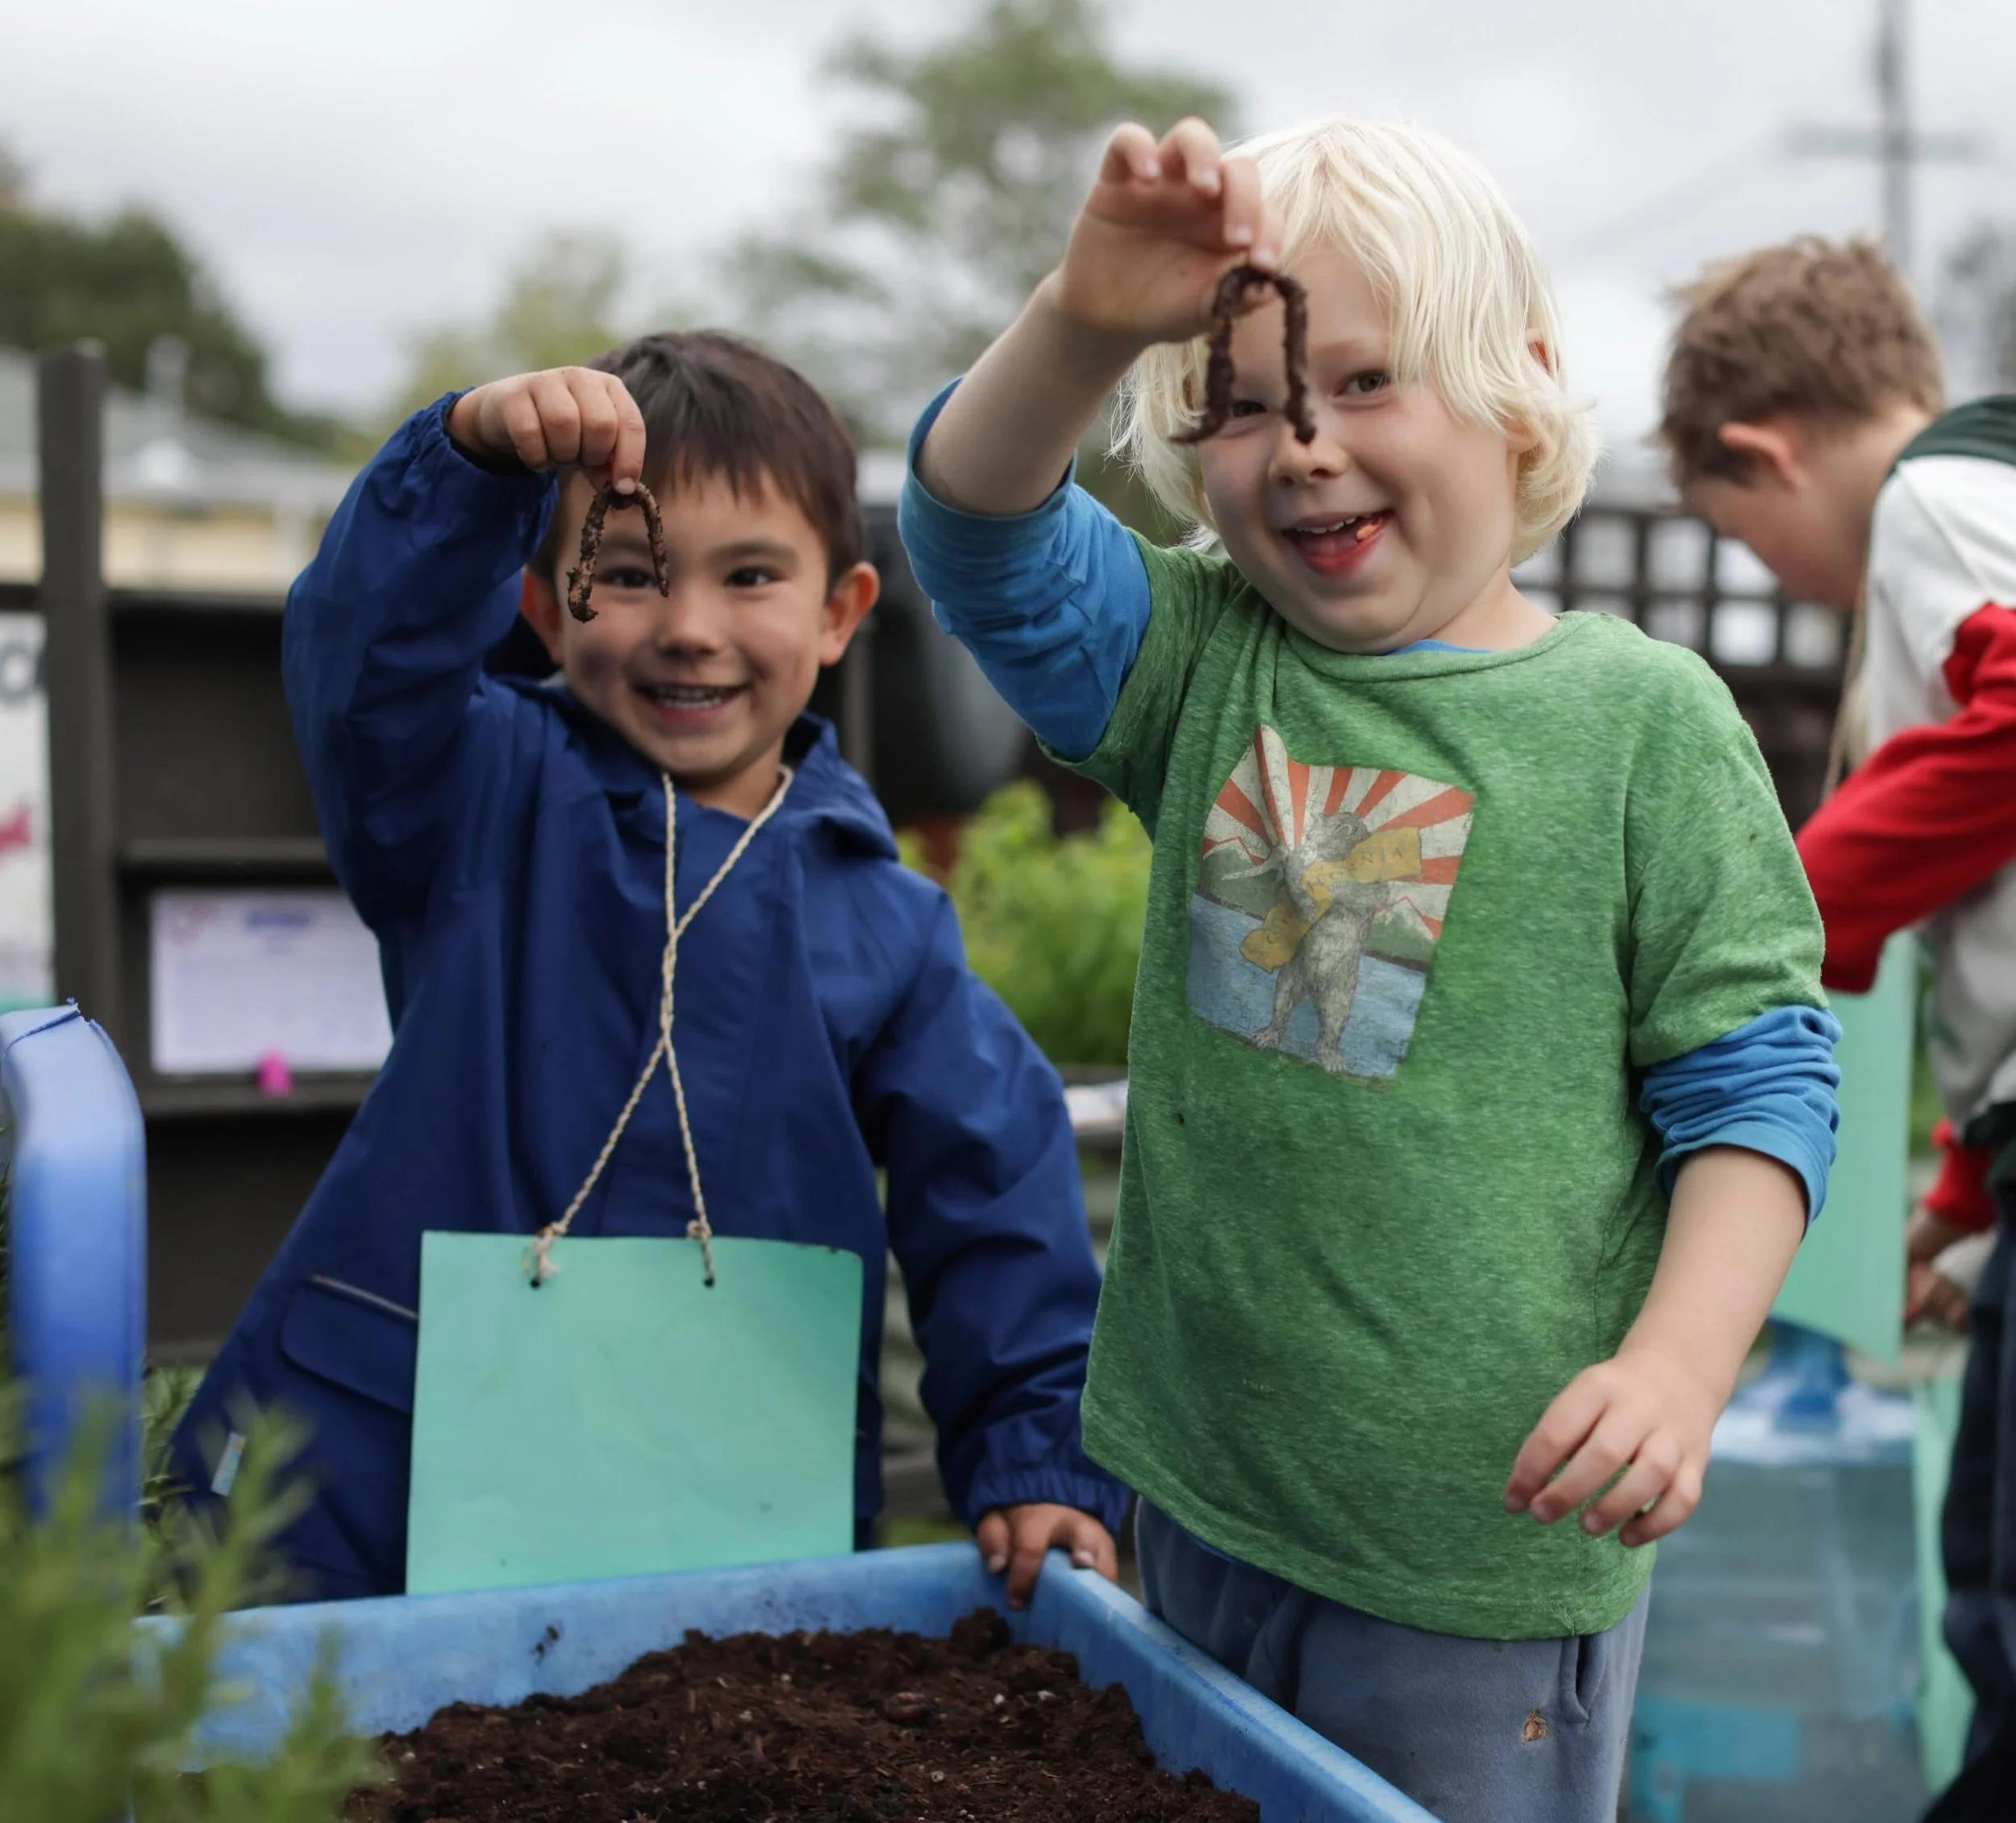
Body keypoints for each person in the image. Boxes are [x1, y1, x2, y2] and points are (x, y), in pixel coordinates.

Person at [898, 115, 1841, 1823]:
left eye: (1360, 381)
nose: (1302, 449)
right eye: (1243, 403)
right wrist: (1084, 310)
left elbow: (1757, 1080)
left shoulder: (1639, 726)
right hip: (1196, 1496)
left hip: (1473, 1557)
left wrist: (1675, 1368)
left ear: (1519, 386)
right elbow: (972, 526)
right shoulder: (1196, 659)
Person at [169, 331, 1127, 1605]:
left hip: (722, 1496)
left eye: (749, 577)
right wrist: (462, 465)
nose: (689, 631)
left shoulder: (887, 926)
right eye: (628, 574)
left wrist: (1031, 1452)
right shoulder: (475, 796)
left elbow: (996, 1190)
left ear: (840, 613)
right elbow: (363, 662)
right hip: (387, 1493)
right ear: (541, 603)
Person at [1660, 235, 2016, 1817]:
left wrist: (1790, 920)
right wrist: (1957, 1197)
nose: (1784, 581)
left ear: (1763, 451)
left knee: (1999, 1604)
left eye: (1745, 539)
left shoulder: (1931, 505)